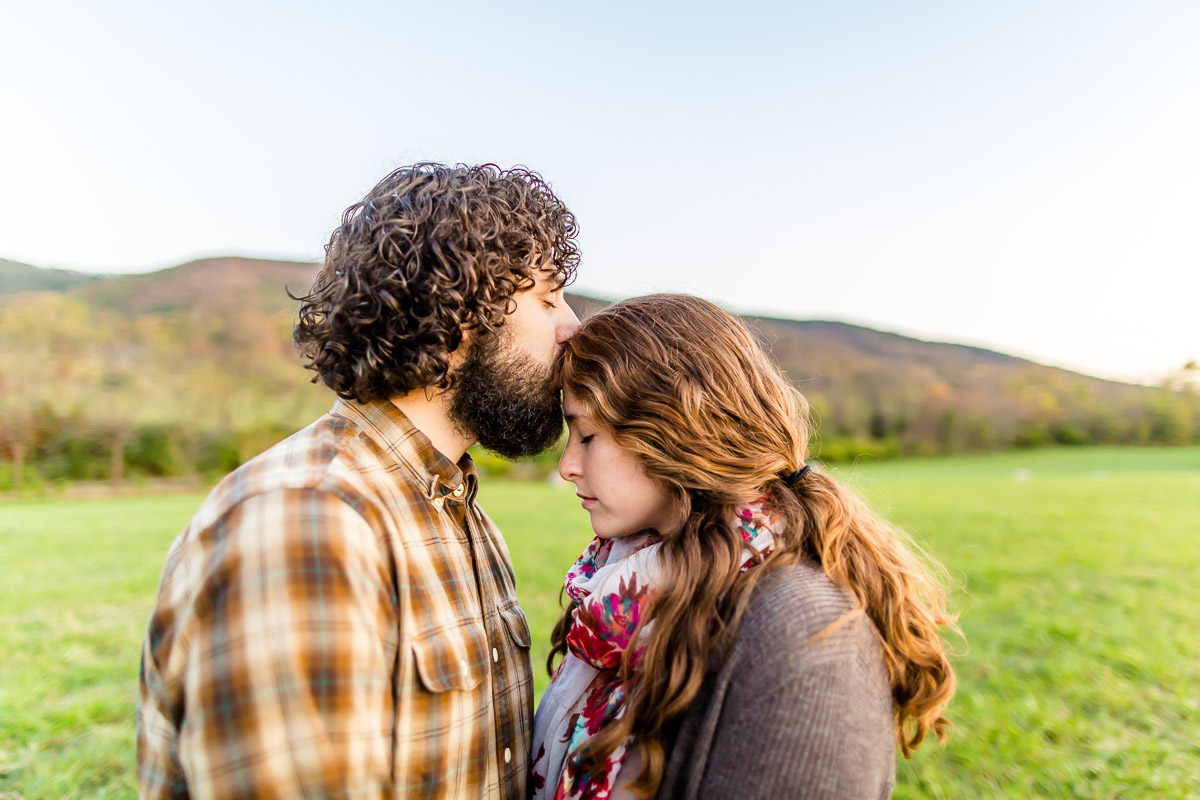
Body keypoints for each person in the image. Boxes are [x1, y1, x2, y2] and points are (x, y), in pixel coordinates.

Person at [137, 163, 582, 800]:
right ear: (459, 312)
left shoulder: (462, 514)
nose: (573, 327)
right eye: (548, 299)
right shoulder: (308, 523)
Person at [530, 294, 958, 800]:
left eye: (586, 435)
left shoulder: (803, 632)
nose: (566, 467)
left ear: (671, 429)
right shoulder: (626, 583)